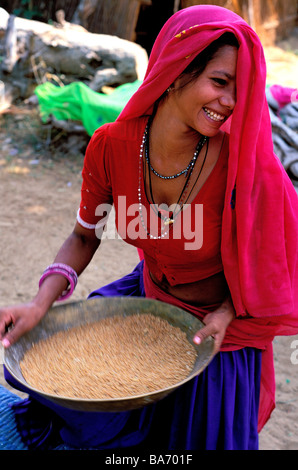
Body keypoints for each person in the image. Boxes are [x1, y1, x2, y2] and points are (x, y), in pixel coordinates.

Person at [1, 4, 298, 451]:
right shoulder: (111, 147)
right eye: (219, 82)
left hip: (218, 333)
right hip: (150, 301)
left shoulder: (248, 169)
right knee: (87, 417)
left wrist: (228, 313)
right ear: (176, 70)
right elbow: (85, 235)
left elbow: (280, 265)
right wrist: (41, 303)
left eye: (240, 89)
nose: (230, 102)